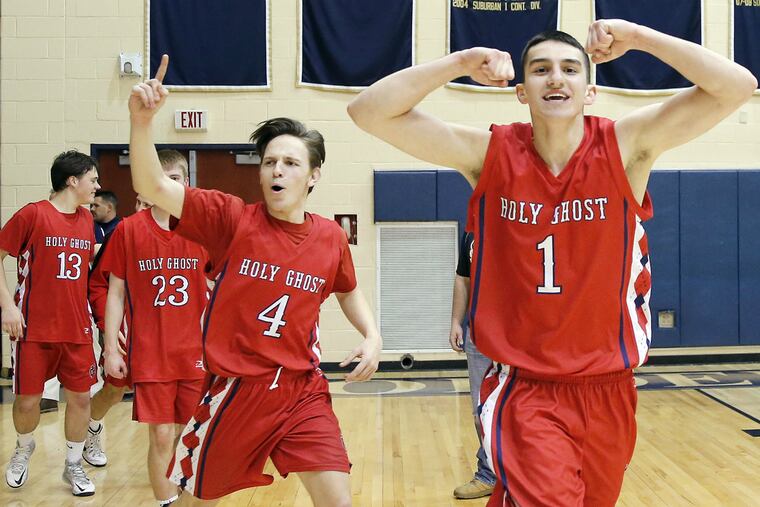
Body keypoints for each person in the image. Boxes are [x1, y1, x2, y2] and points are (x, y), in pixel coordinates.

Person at [348, 19, 756, 507]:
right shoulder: (490, 154)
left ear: (590, 90)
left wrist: (641, 38)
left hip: (609, 385)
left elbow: (737, 85)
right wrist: (459, 62)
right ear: (521, 91)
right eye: (540, 70)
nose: (555, 78)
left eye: (569, 69)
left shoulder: (626, 148)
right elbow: (368, 111)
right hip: (526, 386)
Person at [128, 56, 383, 507]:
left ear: (313, 175)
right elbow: (153, 186)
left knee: (339, 502)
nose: (277, 171)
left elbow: (347, 290)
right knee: (193, 498)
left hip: (302, 389)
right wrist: (142, 121)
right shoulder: (230, 219)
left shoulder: (329, 236)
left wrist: (373, 335)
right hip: (235, 391)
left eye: (289, 162)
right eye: (269, 162)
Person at [101, 149, 209, 507]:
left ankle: (181, 493)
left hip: (198, 354)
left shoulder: (205, 230)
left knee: (187, 434)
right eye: (157, 180)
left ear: (186, 183)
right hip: (150, 352)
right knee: (162, 436)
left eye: (173, 179)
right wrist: (112, 348)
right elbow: (114, 293)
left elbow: (225, 286)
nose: (165, 186)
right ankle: (166, 502)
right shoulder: (129, 230)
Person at [0, 151, 101, 496]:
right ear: (72, 180)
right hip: (33, 328)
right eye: (93, 179)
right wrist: (7, 309)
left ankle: (73, 464)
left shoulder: (88, 220)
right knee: (28, 401)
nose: (97, 187)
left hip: (76, 328)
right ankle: (23, 447)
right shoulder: (32, 214)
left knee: (81, 400)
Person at [82, 193, 162, 468]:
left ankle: (172, 467)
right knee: (114, 392)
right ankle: (89, 430)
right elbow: (98, 285)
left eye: (147, 203)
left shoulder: (187, 233)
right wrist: (109, 329)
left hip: (169, 335)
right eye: (138, 201)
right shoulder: (124, 234)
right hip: (127, 331)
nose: (142, 207)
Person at [449, 230, 496, 499]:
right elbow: (462, 277)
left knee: (523, 408)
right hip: (480, 335)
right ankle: (488, 474)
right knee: (481, 411)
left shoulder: (522, 221)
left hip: (519, 337)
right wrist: (456, 321)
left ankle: (525, 474)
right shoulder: (472, 231)